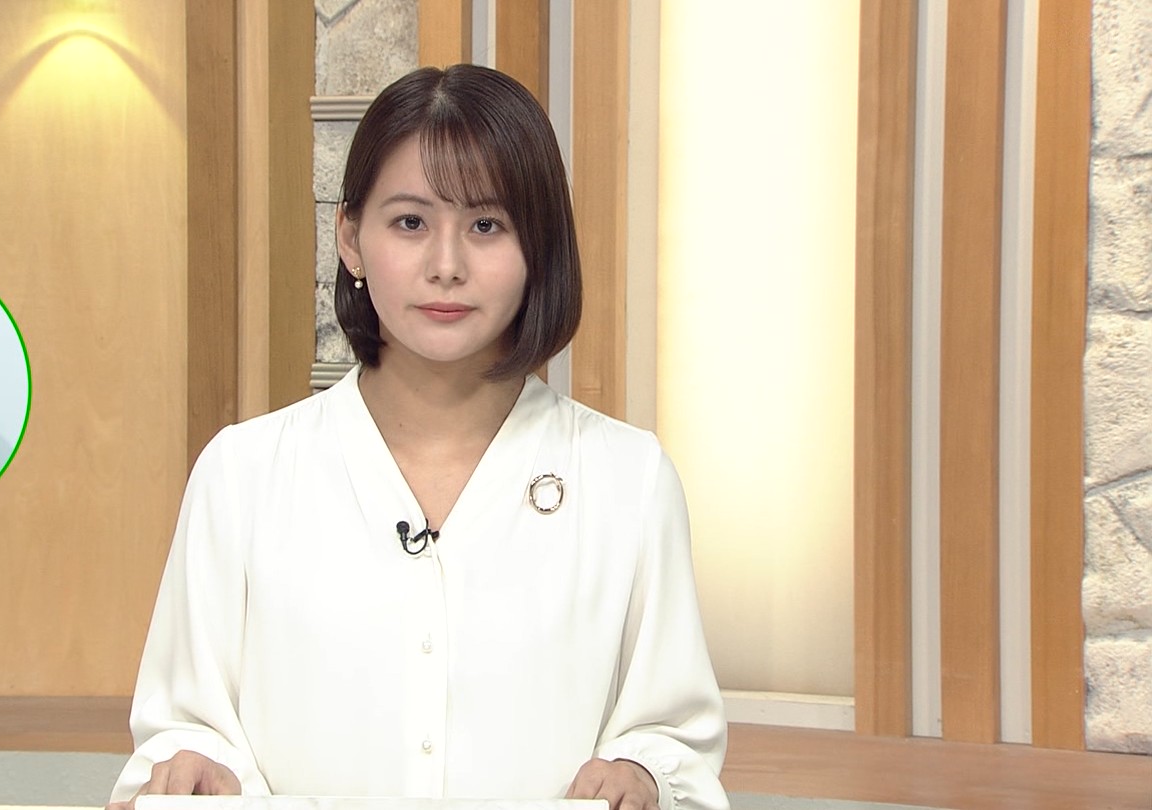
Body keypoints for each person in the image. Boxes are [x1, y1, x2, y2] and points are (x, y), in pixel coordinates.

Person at [109, 65, 728, 810]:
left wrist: (644, 774)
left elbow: (673, 738)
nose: (446, 266)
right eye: (410, 223)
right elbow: (184, 730)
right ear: (350, 238)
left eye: (486, 226)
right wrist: (193, 771)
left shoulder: (627, 478)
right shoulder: (243, 474)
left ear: (540, 247)